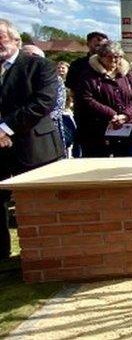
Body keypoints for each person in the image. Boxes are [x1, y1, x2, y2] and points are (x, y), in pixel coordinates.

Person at [0, 19, 65, 259]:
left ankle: (51, 255)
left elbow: (42, 103)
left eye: (1, 38)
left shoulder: (39, 66)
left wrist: (6, 128)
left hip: (35, 146)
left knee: (44, 204)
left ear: (15, 40)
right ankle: (3, 256)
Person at [75, 41, 132, 157]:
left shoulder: (130, 75)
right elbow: (86, 99)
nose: (114, 60)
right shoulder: (88, 76)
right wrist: (112, 115)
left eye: (117, 57)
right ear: (101, 57)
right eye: (109, 57)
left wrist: (125, 115)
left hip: (129, 128)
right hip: (99, 131)